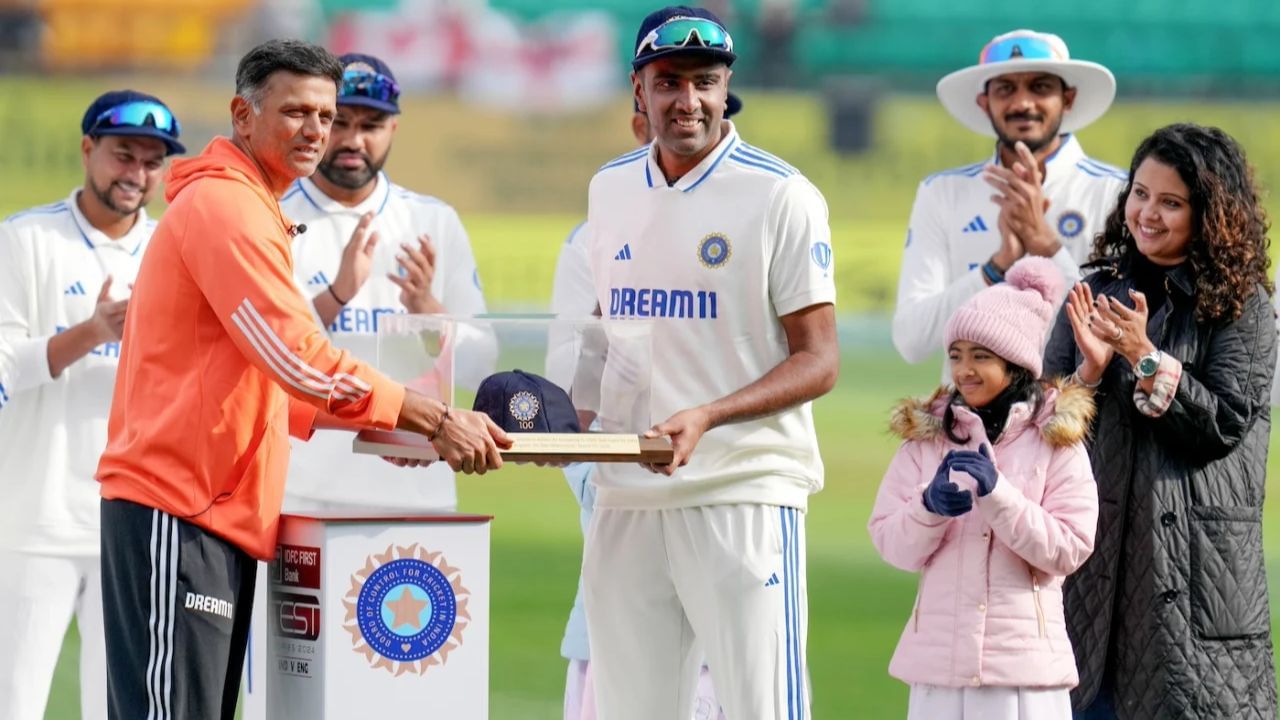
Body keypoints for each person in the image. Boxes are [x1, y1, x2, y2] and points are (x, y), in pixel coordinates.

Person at [93, 39, 508, 720]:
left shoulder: (251, 204)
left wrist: (402, 427)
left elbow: (274, 385)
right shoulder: (228, 208)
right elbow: (297, 357)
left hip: (208, 509)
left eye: (327, 113)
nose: (317, 131)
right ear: (243, 115)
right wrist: (431, 418)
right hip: (179, 504)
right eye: (296, 113)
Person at [579, 7, 839, 718]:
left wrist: (709, 416)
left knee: (764, 708)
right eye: (668, 82)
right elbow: (610, 325)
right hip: (628, 492)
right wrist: (565, 424)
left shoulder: (780, 193)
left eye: (705, 82)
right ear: (638, 89)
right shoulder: (610, 186)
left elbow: (818, 360)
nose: (686, 101)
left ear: (727, 90)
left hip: (743, 489)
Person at [1043, 123, 1277, 718]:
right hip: (1090, 592)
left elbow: (1222, 425)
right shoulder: (1094, 292)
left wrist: (1143, 356)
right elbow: (1041, 436)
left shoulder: (1244, 306)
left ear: (1211, 214)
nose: (1147, 213)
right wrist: (1089, 379)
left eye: (1170, 202)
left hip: (1196, 594)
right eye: (1139, 193)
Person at [551, 91, 741, 720]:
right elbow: (572, 387)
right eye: (668, 100)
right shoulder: (593, 237)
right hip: (630, 482)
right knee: (624, 654)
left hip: (724, 489)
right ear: (641, 123)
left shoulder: (745, 215)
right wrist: (602, 472)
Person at [0, 90, 184, 720]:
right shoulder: (25, 240)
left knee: (120, 706)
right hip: (34, 522)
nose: (135, 174)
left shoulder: (175, 250)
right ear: (88, 150)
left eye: (151, 162)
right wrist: (93, 334)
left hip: (134, 523)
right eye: (122, 154)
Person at [869, 256, 1097, 719]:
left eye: (981, 356)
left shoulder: (1057, 440)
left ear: (1014, 364)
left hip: (1023, 680)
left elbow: (1070, 549)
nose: (964, 370)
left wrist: (1000, 497)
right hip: (939, 674)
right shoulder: (927, 440)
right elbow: (891, 543)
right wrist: (927, 508)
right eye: (955, 354)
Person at [280, 51, 490, 514]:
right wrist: (336, 296)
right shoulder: (274, 214)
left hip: (418, 493)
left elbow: (480, 365)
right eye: (341, 122)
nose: (354, 140)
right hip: (301, 494)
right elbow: (271, 360)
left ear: (393, 128)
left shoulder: (433, 221)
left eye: (371, 124)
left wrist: (428, 310)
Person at [894, 29, 1124, 375]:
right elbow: (912, 341)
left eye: (1040, 87)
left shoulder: (1116, 191)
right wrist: (997, 266)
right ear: (984, 103)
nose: (1022, 103)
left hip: (1078, 421)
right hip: (970, 423)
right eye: (1005, 89)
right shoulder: (943, 192)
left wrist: (1045, 245)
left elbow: (1121, 334)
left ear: (1068, 98)